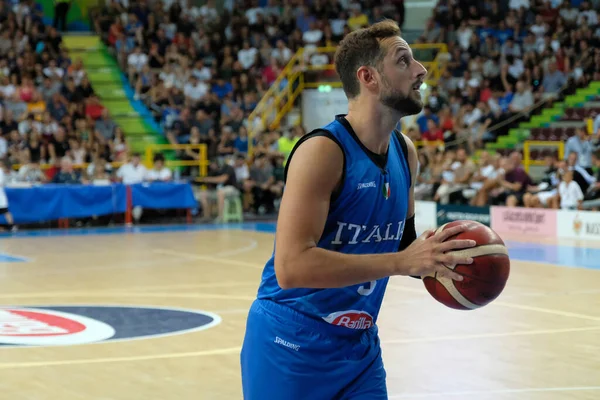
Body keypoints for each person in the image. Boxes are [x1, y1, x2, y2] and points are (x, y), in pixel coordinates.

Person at [240, 20, 476, 400]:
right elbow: (291, 268)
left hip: (359, 346)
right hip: (290, 343)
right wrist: (403, 261)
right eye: (404, 61)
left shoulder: (406, 153)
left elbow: (404, 246)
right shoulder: (322, 152)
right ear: (368, 77)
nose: (421, 70)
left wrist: (449, 258)